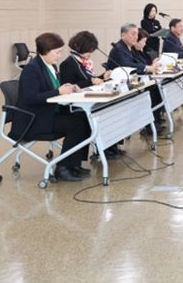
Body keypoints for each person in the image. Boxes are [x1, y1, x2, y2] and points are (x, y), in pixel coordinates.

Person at [10, 33, 91, 182]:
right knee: (76, 123)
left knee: (84, 118)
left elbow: (52, 88)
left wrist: (69, 87)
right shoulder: (32, 69)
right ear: (45, 51)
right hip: (33, 119)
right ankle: (63, 168)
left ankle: (74, 163)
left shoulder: (50, 66)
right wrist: (58, 91)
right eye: (57, 52)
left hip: (47, 113)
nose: (60, 56)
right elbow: (31, 98)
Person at [61, 30, 124, 159]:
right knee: (95, 116)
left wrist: (102, 76)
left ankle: (109, 147)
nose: (90, 53)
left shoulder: (85, 63)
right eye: (88, 50)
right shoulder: (68, 64)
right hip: (75, 104)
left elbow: (89, 79)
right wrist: (92, 81)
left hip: (87, 99)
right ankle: (101, 150)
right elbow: (71, 86)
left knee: (111, 109)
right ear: (79, 47)